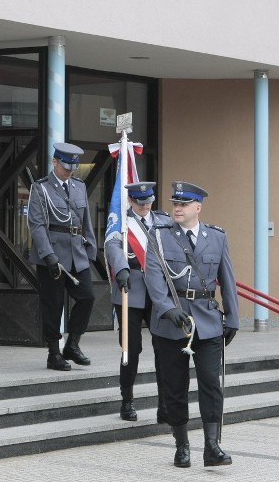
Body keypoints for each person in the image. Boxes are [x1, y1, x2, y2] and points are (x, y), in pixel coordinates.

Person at [144, 181, 239, 468]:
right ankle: (181, 445)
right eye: (175, 203)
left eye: (183, 204)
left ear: (198, 207)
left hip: (208, 321)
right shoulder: (159, 236)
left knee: (211, 385)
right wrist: (167, 309)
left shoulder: (217, 237)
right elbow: (154, 278)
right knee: (175, 387)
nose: (177, 208)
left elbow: (228, 279)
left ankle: (212, 446)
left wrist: (233, 317)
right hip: (171, 324)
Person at [27, 142, 98, 371]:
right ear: (54, 162)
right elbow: (37, 225)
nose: (70, 171)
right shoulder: (40, 188)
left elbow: (86, 220)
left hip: (77, 253)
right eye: (66, 166)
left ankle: (73, 345)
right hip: (53, 253)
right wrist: (48, 255)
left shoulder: (79, 186)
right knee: (53, 305)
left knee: (87, 297)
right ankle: (54, 353)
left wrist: (91, 249)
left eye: (73, 167)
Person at [104, 181, 166, 422]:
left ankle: (165, 403)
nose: (145, 207)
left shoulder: (163, 221)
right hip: (129, 289)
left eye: (148, 202)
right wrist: (120, 268)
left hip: (158, 292)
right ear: (130, 201)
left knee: (164, 348)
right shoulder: (121, 221)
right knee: (131, 348)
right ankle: (127, 400)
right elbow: (112, 244)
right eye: (140, 203)